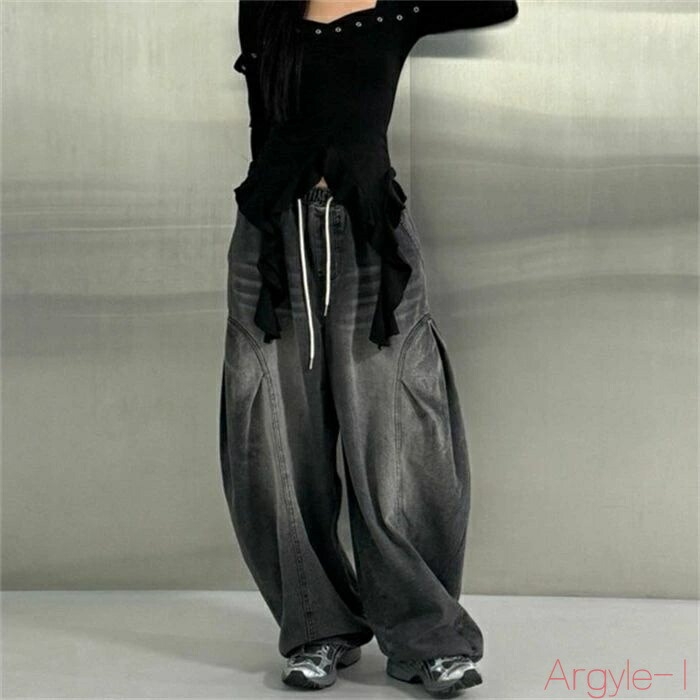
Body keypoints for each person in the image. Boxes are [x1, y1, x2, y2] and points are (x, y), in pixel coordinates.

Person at [219, 0, 519, 696]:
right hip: (272, 242)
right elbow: (270, 123)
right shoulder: (265, 8)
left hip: (370, 238)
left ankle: (426, 639)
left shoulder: (399, 8)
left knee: (396, 434)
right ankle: (316, 628)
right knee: (276, 438)